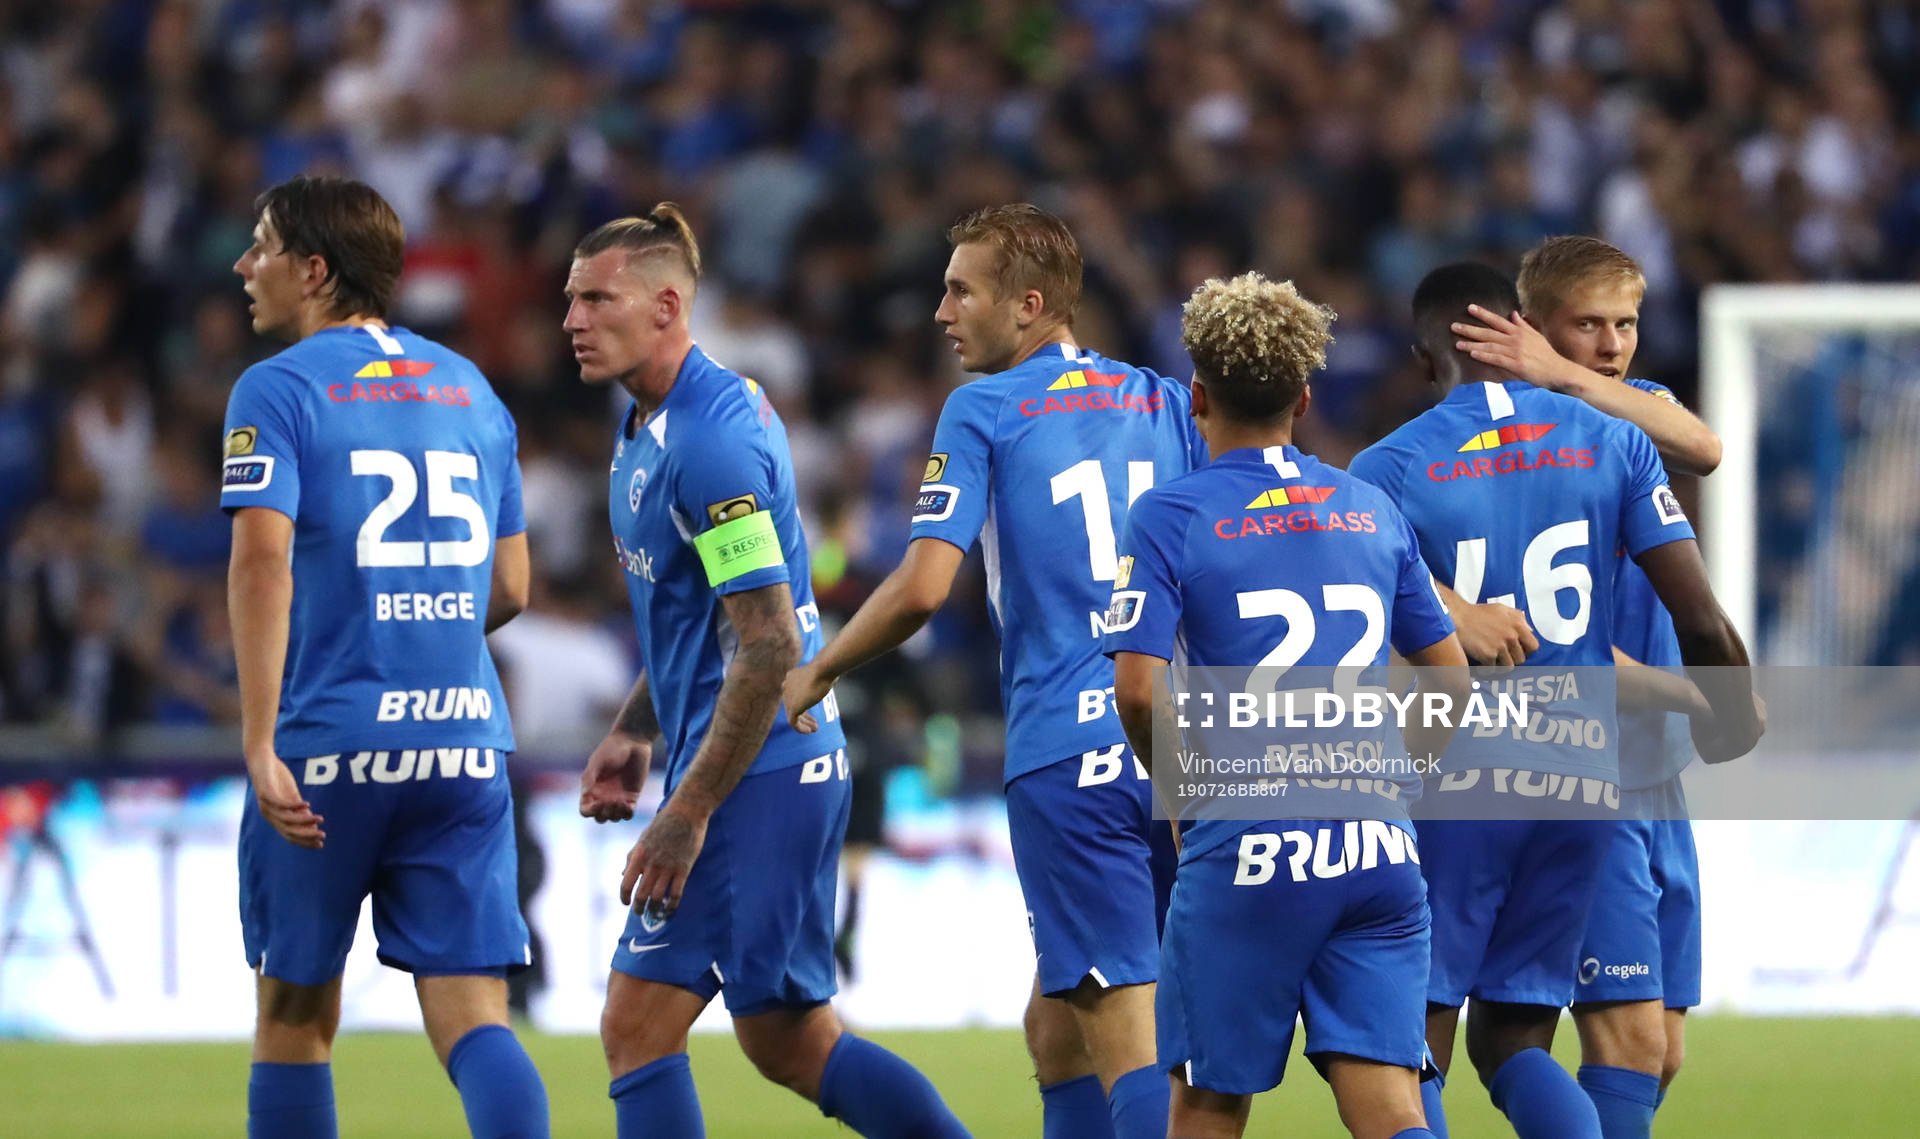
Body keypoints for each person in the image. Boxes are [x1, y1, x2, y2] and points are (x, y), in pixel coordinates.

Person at [783, 203, 1206, 1139]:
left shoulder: (983, 407)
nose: (941, 311)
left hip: (1070, 744)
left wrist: (820, 668)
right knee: (1056, 1028)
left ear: (1028, 304)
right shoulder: (1161, 398)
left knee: (1122, 1028)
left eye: (959, 289)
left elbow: (925, 587)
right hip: (1182, 741)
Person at [563, 205, 968, 1139]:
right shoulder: (654, 423)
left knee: (636, 1026)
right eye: (570, 301)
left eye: (596, 299)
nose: (573, 321)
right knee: (787, 1038)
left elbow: (772, 641)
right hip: (763, 763)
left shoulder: (709, 442)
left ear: (667, 304)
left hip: (755, 779)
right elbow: (703, 618)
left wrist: (689, 809)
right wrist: (637, 724)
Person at [1347, 262, 1763, 1139]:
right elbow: (1702, 614)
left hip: (1454, 776)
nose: (1612, 344)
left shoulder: (1386, 469)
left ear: (1425, 361)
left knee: (1415, 1034)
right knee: (1521, 1038)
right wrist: (1729, 708)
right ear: (1524, 329)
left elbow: (1367, 633)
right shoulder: (1615, 439)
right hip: (1586, 772)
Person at [1104, 271, 1469, 1139]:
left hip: (1249, 846)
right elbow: (1451, 680)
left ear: (1195, 394)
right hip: (1377, 847)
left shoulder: (1169, 515)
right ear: (1304, 397)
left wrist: (1185, 796)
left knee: (1208, 1103)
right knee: (1388, 1104)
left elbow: (1135, 688)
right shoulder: (1370, 508)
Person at [224, 175, 548, 1139]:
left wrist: (257, 738)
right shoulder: (471, 387)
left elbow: (260, 558)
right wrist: (422, 625)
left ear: (314, 271)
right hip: (462, 744)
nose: (245, 266)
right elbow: (514, 587)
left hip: (326, 745)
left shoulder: (276, 388)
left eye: (263, 246)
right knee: (473, 1014)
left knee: (294, 1017)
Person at [1449, 235, 1724, 1137]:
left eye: (1627, 325)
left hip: (1656, 767)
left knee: (1661, 1047)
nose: (1611, 345)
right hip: (1583, 753)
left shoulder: (1628, 409)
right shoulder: (1519, 445)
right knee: (1626, 1037)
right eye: (1588, 326)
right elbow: (1544, 632)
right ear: (1531, 328)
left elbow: (1704, 445)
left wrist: (1570, 376)